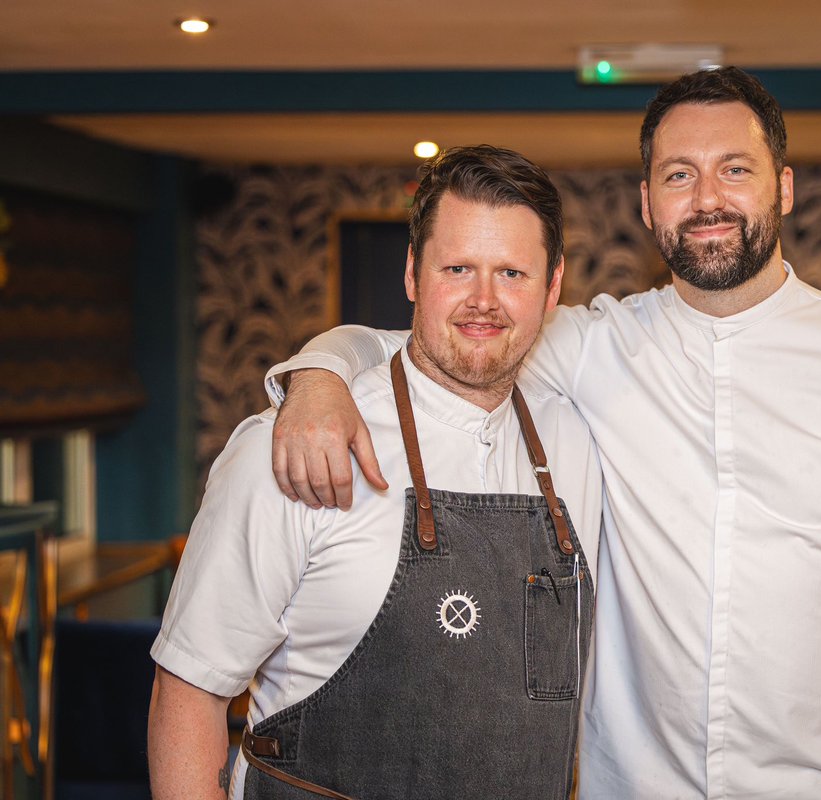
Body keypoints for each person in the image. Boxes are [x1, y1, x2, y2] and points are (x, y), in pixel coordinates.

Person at [266, 68, 821, 799]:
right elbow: (448, 334)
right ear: (647, 202)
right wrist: (320, 374)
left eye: (735, 169)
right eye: (678, 175)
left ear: (783, 188)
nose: (707, 199)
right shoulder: (596, 348)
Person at [147, 145, 604, 799]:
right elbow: (186, 695)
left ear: (552, 287)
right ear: (414, 274)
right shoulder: (292, 447)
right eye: (457, 268)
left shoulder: (572, 440)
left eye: (512, 273)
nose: (484, 301)